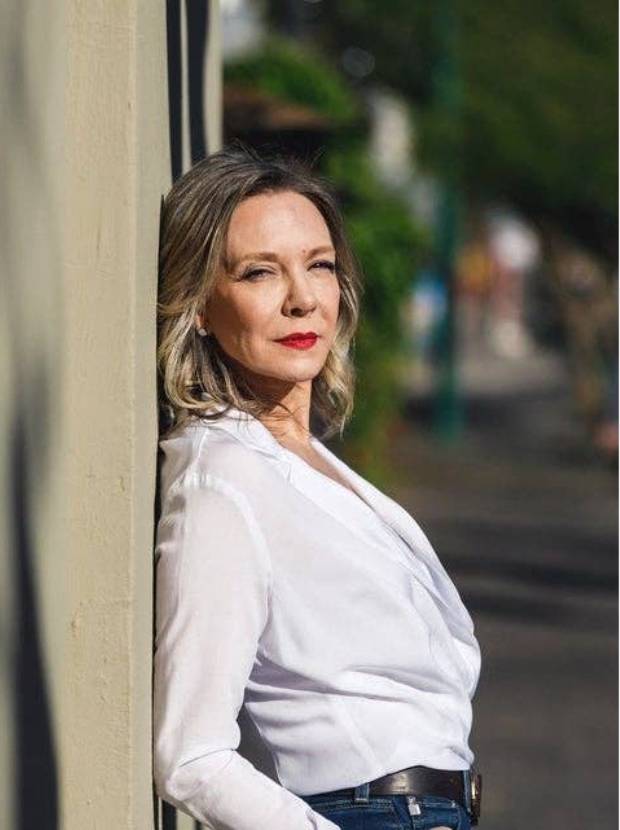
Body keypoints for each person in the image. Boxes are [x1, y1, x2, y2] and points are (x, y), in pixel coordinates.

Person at [153, 148, 481, 830]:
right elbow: (190, 754)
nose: (301, 296)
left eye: (319, 264)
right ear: (203, 307)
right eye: (258, 272)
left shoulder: (305, 462)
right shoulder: (224, 477)